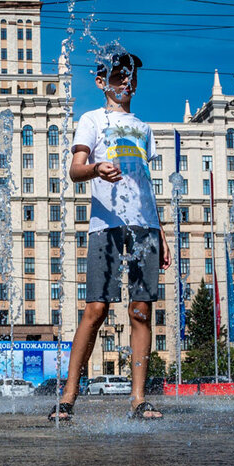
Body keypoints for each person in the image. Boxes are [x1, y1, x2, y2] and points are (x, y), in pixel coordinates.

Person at [49, 43, 170, 421]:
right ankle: (68, 397)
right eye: (119, 75)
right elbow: (75, 169)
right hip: (105, 226)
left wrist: (161, 232)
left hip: (144, 227)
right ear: (102, 81)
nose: (126, 81)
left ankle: (138, 399)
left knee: (140, 311)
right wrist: (97, 169)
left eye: (131, 76)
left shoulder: (144, 129)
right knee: (97, 308)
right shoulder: (91, 119)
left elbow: (144, 184)